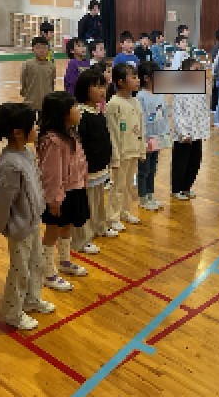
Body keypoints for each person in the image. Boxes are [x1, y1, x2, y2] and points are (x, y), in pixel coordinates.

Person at [0, 103, 54, 330]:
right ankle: (12, 312)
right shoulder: (10, 164)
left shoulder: (26, 153)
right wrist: (3, 225)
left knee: (36, 263)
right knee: (20, 270)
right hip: (19, 227)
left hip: (32, 222)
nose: (37, 128)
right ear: (17, 132)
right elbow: (1, 200)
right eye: (33, 125)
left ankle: (31, 299)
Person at [37, 91, 90, 291]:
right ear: (62, 113)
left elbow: (80, 161)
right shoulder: (53, 141)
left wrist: (83, 181)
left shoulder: (71, 134)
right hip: (59, 195)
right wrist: (54, 200)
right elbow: (51, 175)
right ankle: (48, 272)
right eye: (74, 107)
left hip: (75, 189)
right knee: (52, 231)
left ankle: (65, 261)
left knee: (67, 227)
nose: (78, 110)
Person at [73, 69, 117, 254]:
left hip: (99, 167)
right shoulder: (80, 114)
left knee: (98, 201)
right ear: (84, 89)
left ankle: (99, 226)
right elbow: (77, 145)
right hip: (86, 170)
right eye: (96, 86)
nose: (102, 90)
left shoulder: (98, 111)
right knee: (87, 204)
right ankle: (83, 239)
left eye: (103, 86)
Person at [105, 64, 145, 231]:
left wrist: (142, 149)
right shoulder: (113, 104)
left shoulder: (135, 101)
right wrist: (115, 157)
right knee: (118, 186)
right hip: (121, 154)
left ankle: (125, 211)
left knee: (128, 185)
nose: (137, 80)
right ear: (120, 82)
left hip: (133, 150)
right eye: (133, 77)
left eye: (137, 77)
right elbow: (112, 134)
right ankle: (113, 216)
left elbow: (141, 128)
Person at [171, 58, 210, 201]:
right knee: (181, 162)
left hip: (196, 133)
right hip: (184, 135)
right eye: (195, 69)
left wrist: (204, 130)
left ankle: (186, 187)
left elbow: (203, 111)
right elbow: (177, 114)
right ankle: (176, 189)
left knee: (195, 161)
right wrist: (184, 133)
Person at [137, 61, 171, 211]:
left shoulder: (160, 94)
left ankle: (150, 195)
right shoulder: (141, 96)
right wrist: (143, 140)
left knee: (152, 168)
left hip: (158, 137)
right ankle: (143, 198)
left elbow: (164, 115)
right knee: (143, 169)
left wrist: (165, 133)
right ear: (146, 78)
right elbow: (141, 119)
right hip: (146, 138)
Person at [20, 36, 56, 113]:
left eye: (44, 48)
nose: (42, 51)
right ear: (33, 49)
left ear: (48, 50)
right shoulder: (27, 64)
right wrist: (23, 92)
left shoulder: (51, 65)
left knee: (44, 120)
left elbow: (52, 82)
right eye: (38, 48)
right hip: (30, 101)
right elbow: (23, 81)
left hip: (46, 102)